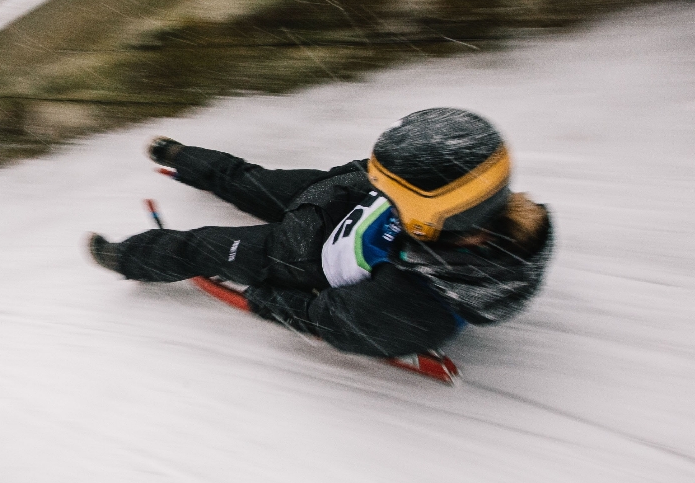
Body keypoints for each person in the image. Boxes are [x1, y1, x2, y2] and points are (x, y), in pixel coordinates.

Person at [88, 108, 553, 359]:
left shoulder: (413, 306)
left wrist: (263, 298)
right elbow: (370, 175)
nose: (382, 180)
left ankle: (125, 257)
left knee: (201, 246)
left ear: (428, 213)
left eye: (390, 183)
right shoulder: (464, 209)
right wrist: (343, 182)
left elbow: (324, 318)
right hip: (334, 197)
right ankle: (182, 157)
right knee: (250, 179)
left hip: (298, 255)